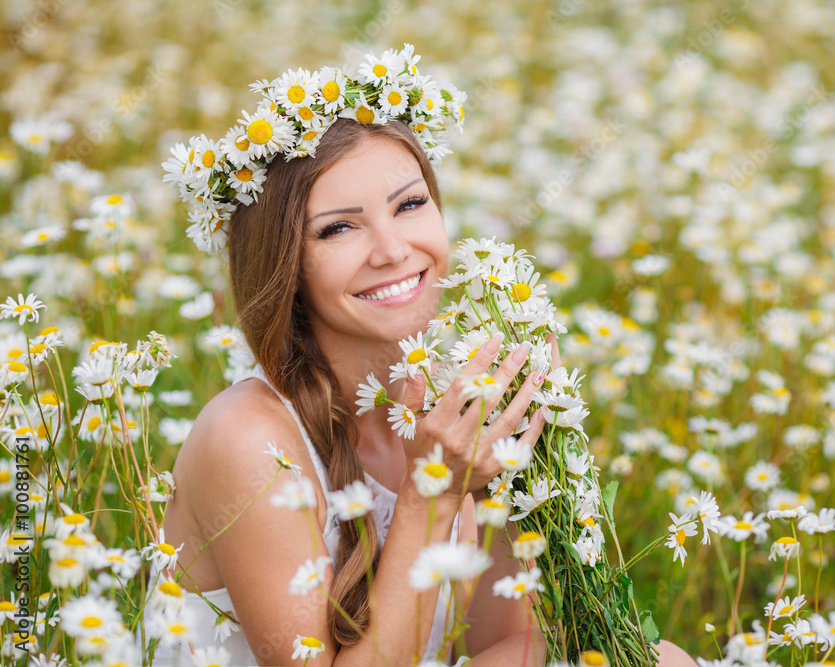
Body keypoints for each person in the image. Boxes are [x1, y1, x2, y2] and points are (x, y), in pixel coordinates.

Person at [153, 50, 697, 667]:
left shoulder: (442, 404)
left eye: (409, 205)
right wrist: (432, 494)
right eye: (338, 229)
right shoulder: (249, 440)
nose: (392, 250)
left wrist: (514, 464)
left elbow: (511, 642)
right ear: (284, 268)